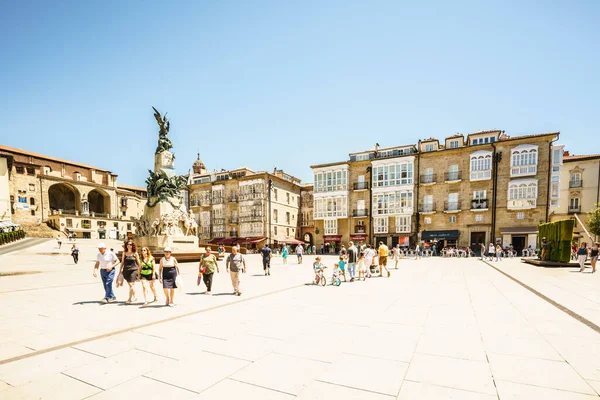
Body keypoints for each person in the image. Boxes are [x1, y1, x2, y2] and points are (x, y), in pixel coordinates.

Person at [119, 240, 141, 304]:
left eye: (131, 244)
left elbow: (139, 263)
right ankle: (135, 297)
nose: (129, 245)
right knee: (131, 285)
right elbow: (122, 262)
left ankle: (129, 299)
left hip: (134, 270)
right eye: (128, 244)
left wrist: (139, 272)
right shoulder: (124, 253)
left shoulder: (135, 253)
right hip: (126, 271)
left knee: (131, 285)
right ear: (126, 245)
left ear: (132, 246)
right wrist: (120, 270)